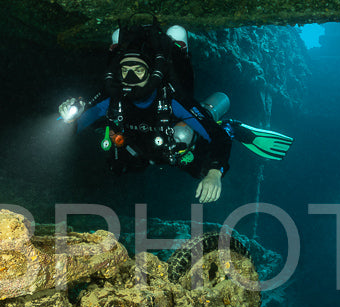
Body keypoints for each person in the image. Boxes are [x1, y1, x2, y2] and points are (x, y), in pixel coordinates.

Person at [59, 23, 293, 203]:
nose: (130, 79)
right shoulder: (111, 98)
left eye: (137, 71)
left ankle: (232, 126)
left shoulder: (171, 99)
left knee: (190, 139)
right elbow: (75, 127)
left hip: (176, 150)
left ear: (151, 74)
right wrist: (68, 116)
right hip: (137, 152)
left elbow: (217, 138)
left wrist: (214, 174)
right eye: (125, 71)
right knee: (118, 166)